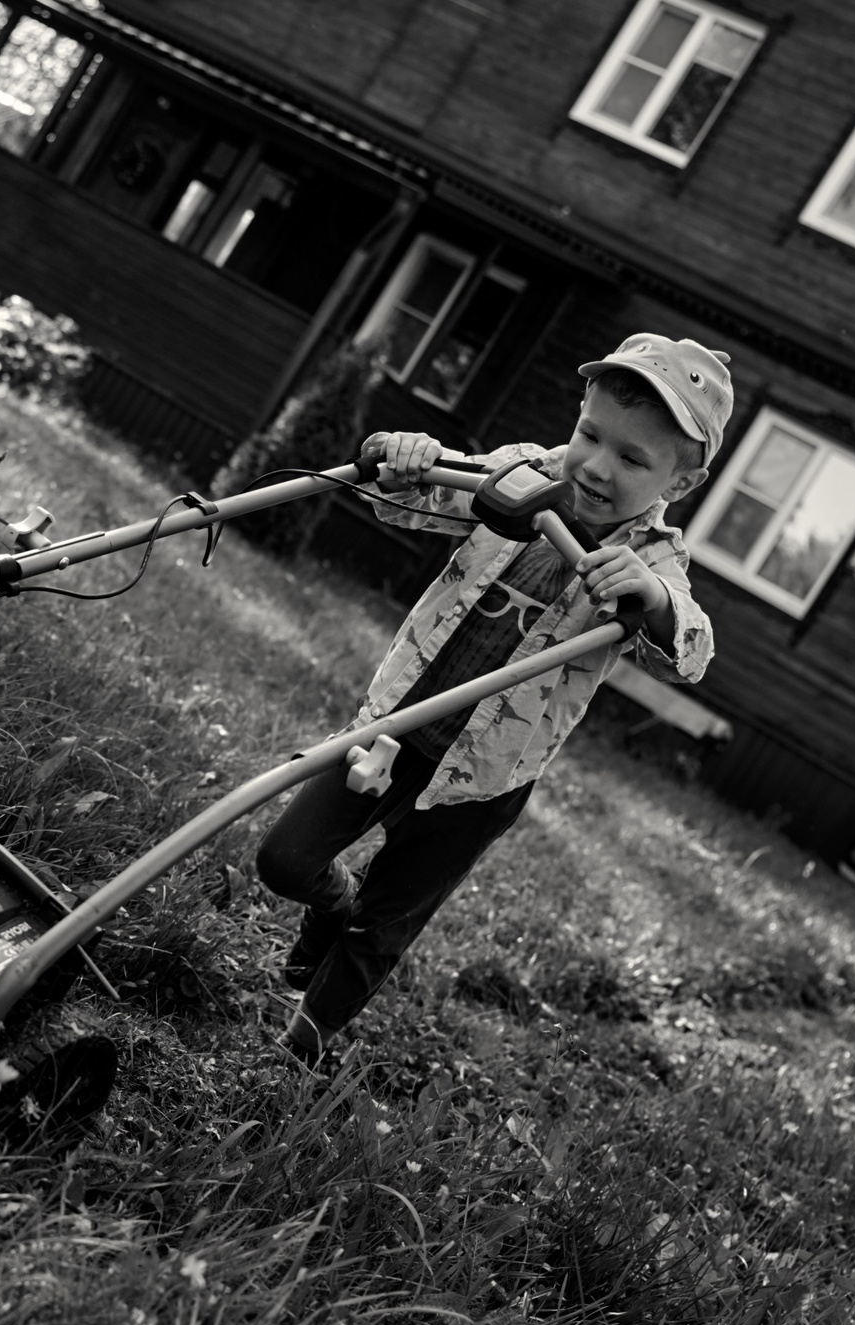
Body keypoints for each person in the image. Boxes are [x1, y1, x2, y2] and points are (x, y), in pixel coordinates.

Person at [253, 332, 730, 1062]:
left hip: (481, 780)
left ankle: (302, 1044)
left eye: (633, 459)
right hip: (393, 728)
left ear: (680, 483)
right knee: (285, 859)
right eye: (590, 435)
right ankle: (332, 897)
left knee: (386, 923)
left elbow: (690, 651)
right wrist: (405, 455)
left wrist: (656, 601)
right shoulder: (519, 477)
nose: (598, 467)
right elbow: (416, 495)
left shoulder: (655, 561)